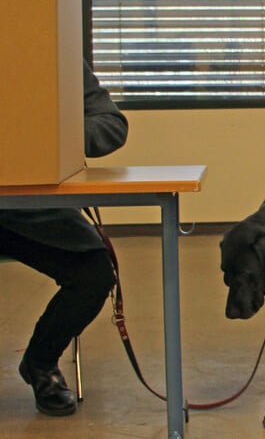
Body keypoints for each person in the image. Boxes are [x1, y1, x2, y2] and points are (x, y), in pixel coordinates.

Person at [0, 60, 127, 416]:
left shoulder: (52, 51)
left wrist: (48, 132)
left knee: (95, 274)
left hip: (31, 210)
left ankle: (40, 363)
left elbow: (111, 125)